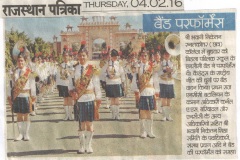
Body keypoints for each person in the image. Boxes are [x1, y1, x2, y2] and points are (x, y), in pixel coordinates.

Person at [69, 48, 101, 154]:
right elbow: (70, 84)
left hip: (90, 98)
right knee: (81, 123)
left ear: (87, 56)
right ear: (78, 56)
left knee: (89, 123)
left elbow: (96, 84)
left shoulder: (92, 68)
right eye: (80, 55)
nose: (82, 57)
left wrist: (98, 97)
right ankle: (82, 146)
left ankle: (89, 145)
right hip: (80, 99)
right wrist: (72, 93)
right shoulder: (74, 69)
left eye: (84, 55)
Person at [7, 52, 36, 141]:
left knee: (26, 115)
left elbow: (32, 85)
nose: (20, 62)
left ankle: (26, 134)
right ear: (17, 62)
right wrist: (9, 96)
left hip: (26, 95)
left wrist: (33, 96)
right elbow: (10, 85)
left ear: (25, 61)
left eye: (22, 61)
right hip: (17, 96)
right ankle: (20, 134)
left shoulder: (29, 72)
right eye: (19, 61)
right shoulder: (14, 72)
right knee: (19, 115)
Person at [132, 49, 159, 138]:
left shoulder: (152, 67)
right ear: (140, 57)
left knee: (150, 113)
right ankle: (142, 131)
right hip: (142, 92)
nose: (144, 57)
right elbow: (135, 79)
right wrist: (136, 91)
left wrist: (157, 91)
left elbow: (155, 79)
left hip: (150, 91)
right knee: (142, 112)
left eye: (146, 56)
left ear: (148, 57)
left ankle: (149, 131)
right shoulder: (137, 67)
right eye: (142, 55)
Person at [105, 49, 125, 120]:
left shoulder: (119, 63)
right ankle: (113, 114)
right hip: (110, 82)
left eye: (116, 57)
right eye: (113, 57)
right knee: (112, 99)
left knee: (117, 99)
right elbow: (104, 73)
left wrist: (123, 82)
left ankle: (117, 114)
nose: (115, 58)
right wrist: (108, 76)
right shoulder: (108, 63)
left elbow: (122, 73)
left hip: (117, 82)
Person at [158, 50, 177, 121]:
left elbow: (175, 74)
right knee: (163, 99)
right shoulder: (160, 63)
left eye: (168, 54)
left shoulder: (173, 63)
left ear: (170, 55)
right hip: (163, 82)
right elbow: (158, 73)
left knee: (169, 100)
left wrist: (171, 72)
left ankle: (168, 116)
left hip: (170, 82)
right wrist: (164, 70)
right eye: (165, 54)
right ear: (163, 55)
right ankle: (164, 116)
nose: (167, 55)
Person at [56, 51, 74, 120]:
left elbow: (73, 75)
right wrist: (57, 85)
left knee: (70, 99)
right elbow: (58, 76)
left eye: (67, 56)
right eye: (64, 56)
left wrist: (69, 72)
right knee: (65, 99)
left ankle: (70, 115)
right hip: (62, 84)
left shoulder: (72, 65)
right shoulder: (61, 65)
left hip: (70, 84)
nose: (65, 57)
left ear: (69, 57)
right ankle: (66, 115)